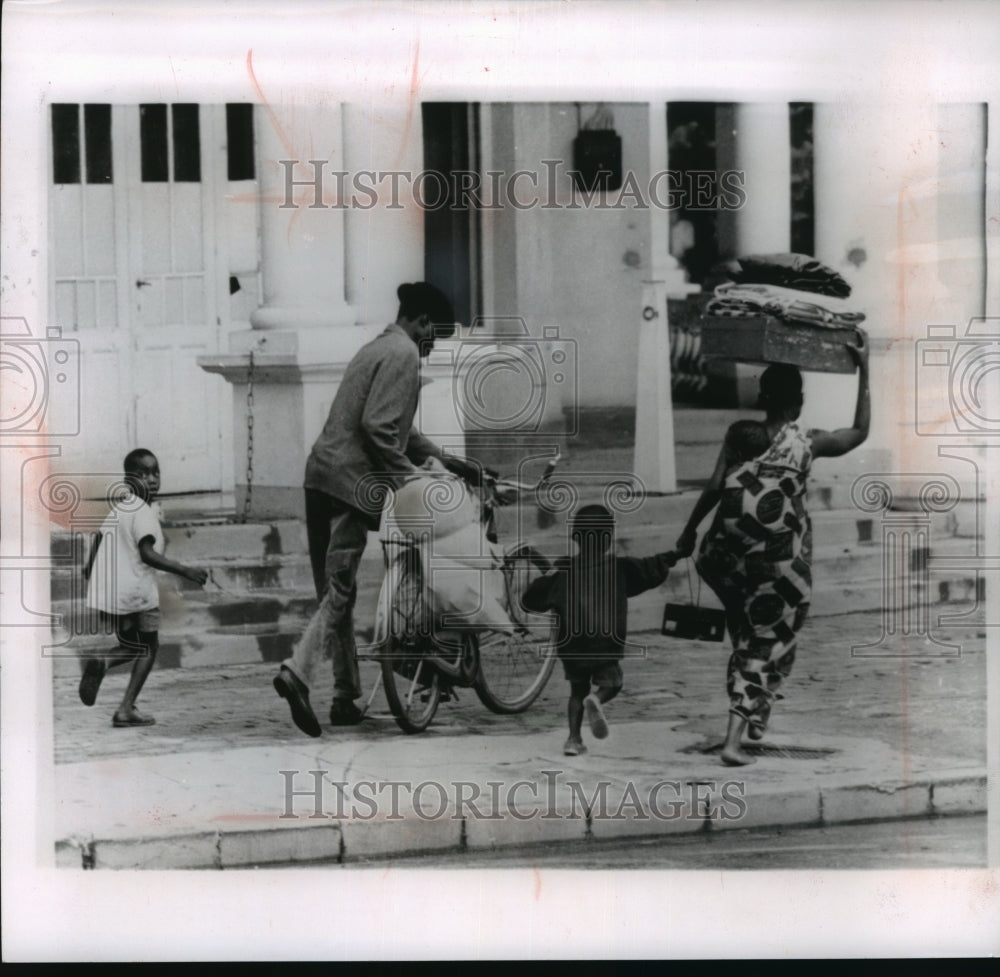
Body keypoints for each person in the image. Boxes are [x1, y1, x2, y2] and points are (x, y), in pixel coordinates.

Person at [273, 282, 483, 736]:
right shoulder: (404, 354)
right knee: (341, 592)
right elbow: (379, 431)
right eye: (433, 338)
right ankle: (297, 672)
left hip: (320, 476)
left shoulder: (377, 347)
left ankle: (345, 697)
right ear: (422, 322)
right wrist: (414, 479)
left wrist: (451, 462)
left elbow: (398, 432)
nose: (429, 350)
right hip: (353, 484)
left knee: (334, 591)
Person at [676, 332, 870, 765]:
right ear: (797, 403)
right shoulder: (806, 442)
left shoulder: (740, 434)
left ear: (763, 398)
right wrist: (865, 368)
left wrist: (688, 532)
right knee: (771, 637)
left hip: (721, 557)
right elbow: (858, 432)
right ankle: (734, 738)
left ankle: (758, 704)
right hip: (777, 562)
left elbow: (712, 486)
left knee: (747, 634)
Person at [523, 504, 678, 756]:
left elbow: (532, 599)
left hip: (572, 645)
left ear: (575, 538)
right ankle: (598, 699)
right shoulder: (619, 567)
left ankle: (573, 740)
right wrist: (672, 556)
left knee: (576, 691)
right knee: (613, 684)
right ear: (607, 539)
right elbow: (650, 569)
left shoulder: (563, 570)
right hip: (604, 643)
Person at [79, 449, 208, 726]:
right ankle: (126, 708)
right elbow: (147, 554)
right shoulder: (144, 512)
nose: (151, 479)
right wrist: (185, 570)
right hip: (139, 592)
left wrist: (89, 569)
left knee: (131, 644)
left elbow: (99, 538)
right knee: (149, 646)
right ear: (128, 479)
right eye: (142, 473)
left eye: (155, 472)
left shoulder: (120, 509)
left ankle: (102, 661)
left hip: (117, 594)